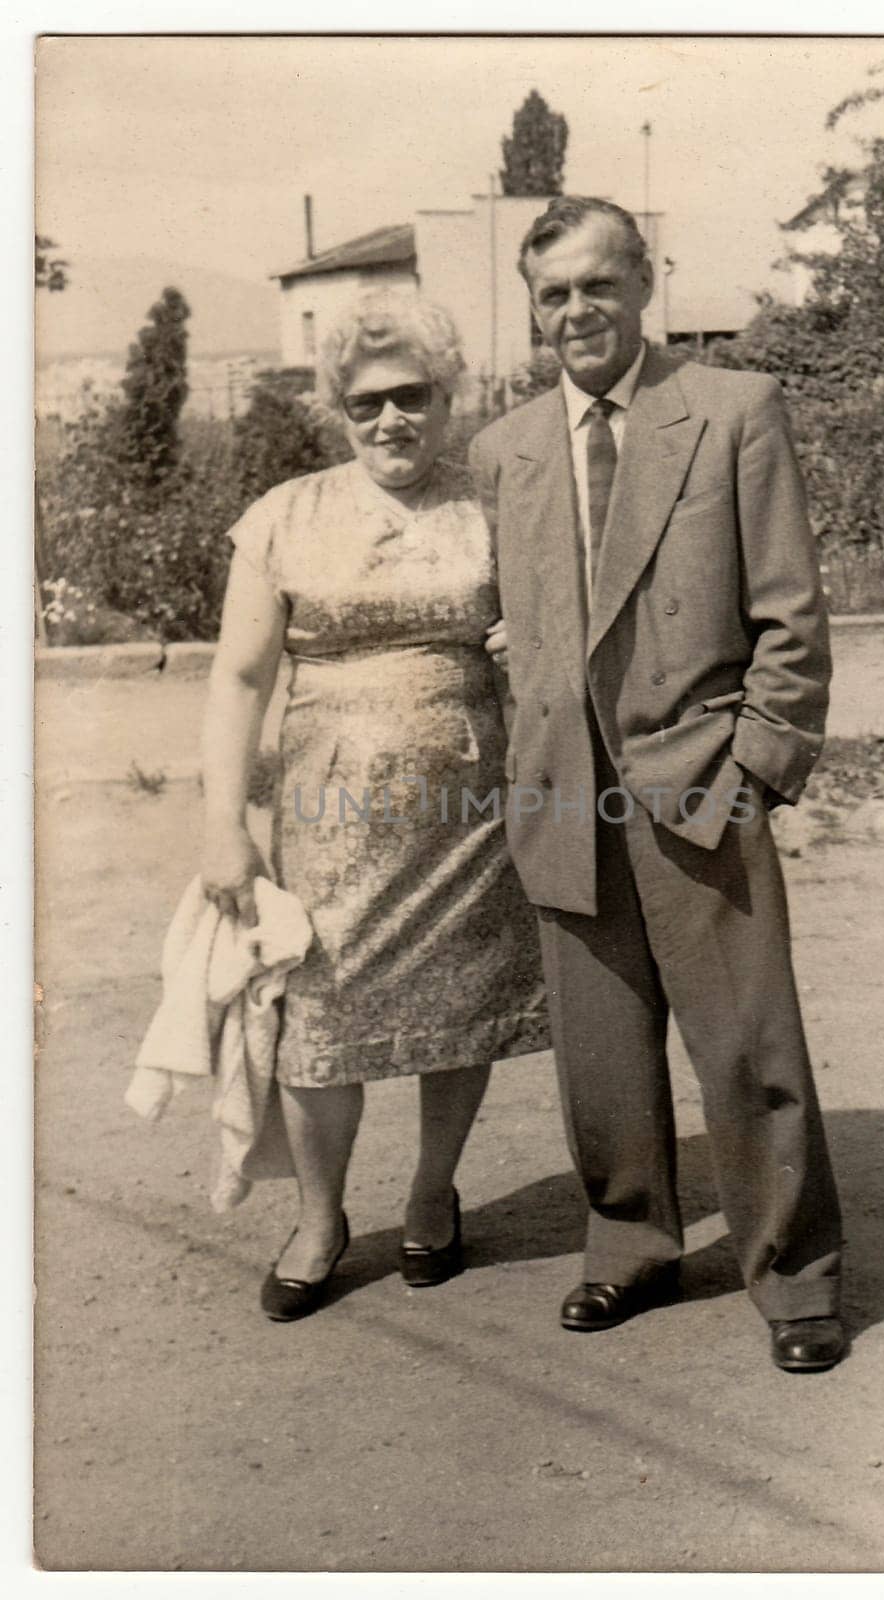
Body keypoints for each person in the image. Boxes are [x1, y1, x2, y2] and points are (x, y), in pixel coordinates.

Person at [469, 197, 845, 1372]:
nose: (577, 312)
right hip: (563, 793)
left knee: (746, 1041)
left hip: (698, 777)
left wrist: (759, 765)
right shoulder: (507, 449)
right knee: (601, 1050)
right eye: (553, 294)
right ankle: (627, 1243)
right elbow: (524, 618)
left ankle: (796, 1275)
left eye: (597, 285)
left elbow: (790, 610)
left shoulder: (734, 411)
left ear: (644, 287)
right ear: (533, 311)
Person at [201, 289, 547, 1321]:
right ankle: (320, 1216)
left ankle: (434, 1191)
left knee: (466, 1005)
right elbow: (238, 679)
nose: (391, 420)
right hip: (325, 824)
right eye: (367, 404)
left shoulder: (495, 506)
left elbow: (553, 636)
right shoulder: (285, 516)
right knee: (316, 1020)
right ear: (338, 412)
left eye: (413, 396)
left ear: (449, 397)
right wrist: (224, 821)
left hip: (470, 816)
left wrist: (526, 639)